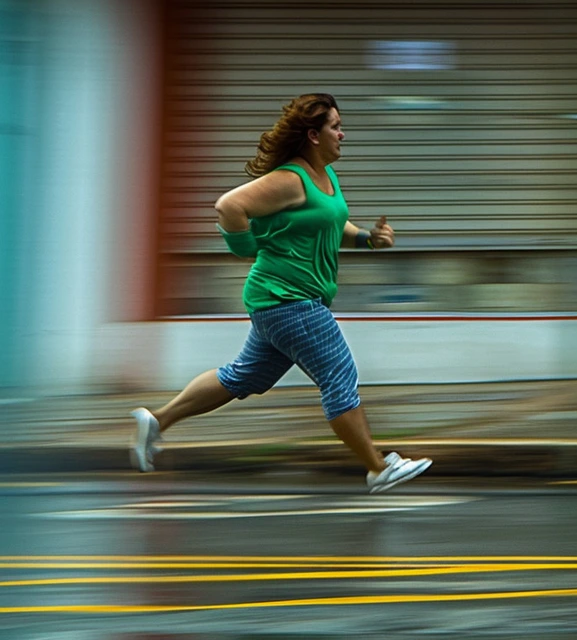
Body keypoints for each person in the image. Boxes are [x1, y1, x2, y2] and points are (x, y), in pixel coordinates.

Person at [129, 93, 432, 493]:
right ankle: (377, 467)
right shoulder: (291, 179)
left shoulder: (323, 175)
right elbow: (228, 206)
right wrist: (247, 249)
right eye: (336, 126)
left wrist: (367, 240)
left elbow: (329, 221)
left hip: (280, 301)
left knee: (242, 376)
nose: (344, 133)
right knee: (339, 375)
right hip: (291, 301)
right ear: (313, 135)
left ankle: (157, 421)